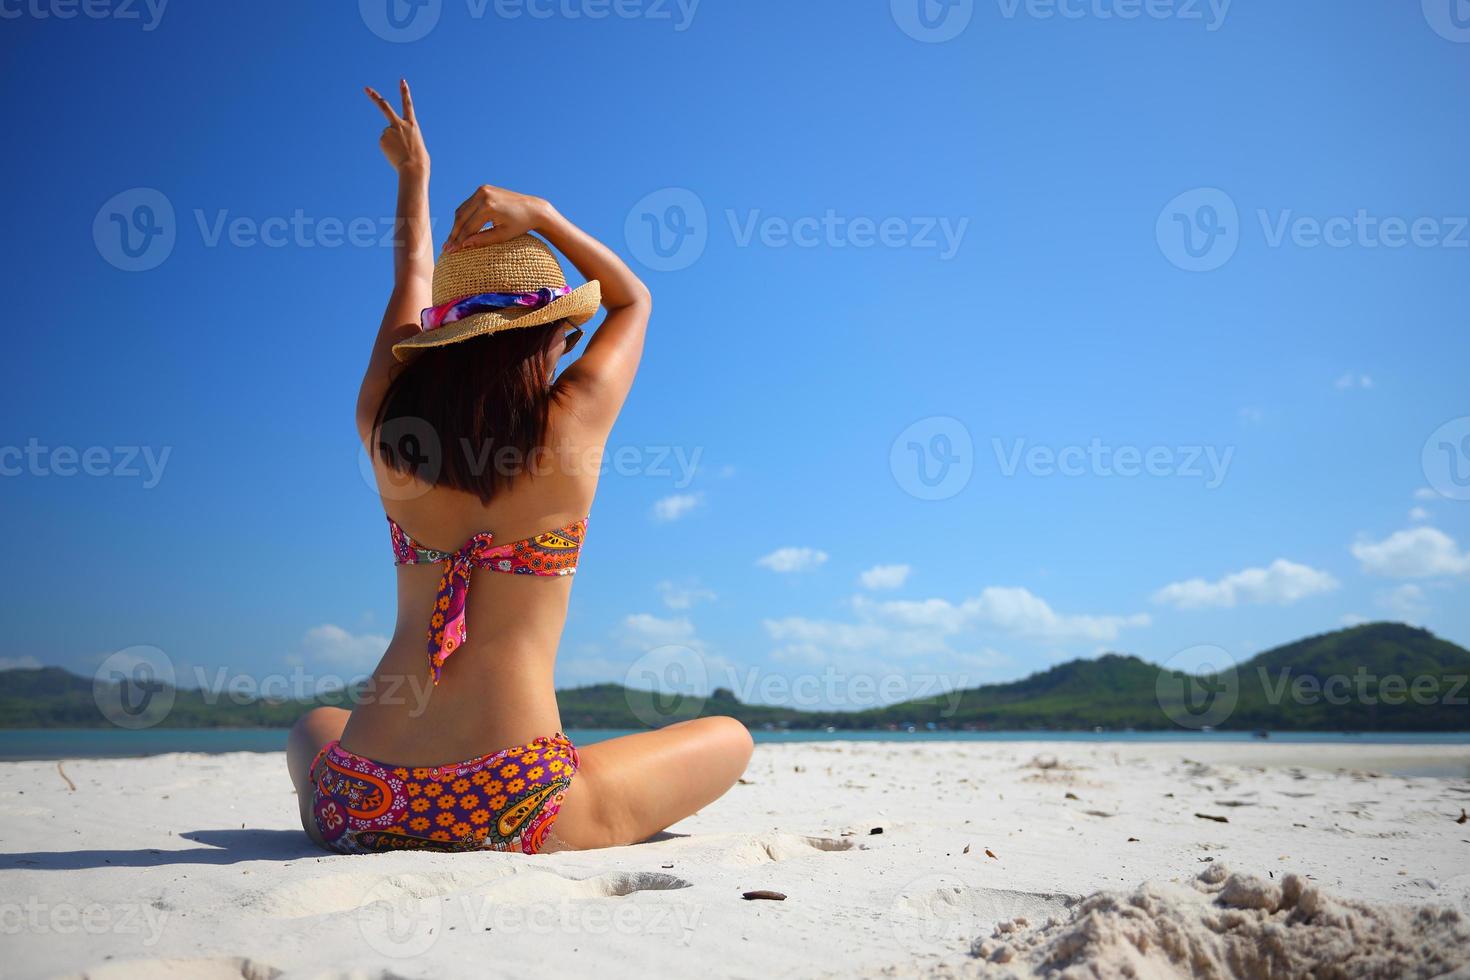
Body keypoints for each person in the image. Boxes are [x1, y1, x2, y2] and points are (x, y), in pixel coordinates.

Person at [285, 79, 752, 854]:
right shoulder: (569, 428)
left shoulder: (386, 430)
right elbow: (633, 301)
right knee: (730, 736)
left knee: (313, 728)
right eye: (561, 336)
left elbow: (409, 284)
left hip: (361, 800)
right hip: (514, 802)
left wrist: (414, 179)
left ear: (438, 343)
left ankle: (365, 787)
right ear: (548, 338)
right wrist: (545, 216)